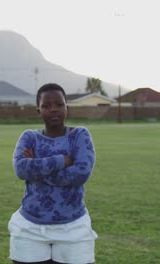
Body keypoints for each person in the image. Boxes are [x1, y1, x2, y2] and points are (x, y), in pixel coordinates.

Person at [8, 83, 98, 264]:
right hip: (30, 227)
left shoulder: (79, 135)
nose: (54, 109)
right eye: (46, 106)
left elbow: (81, 173)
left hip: (73, 226)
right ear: (38, 110)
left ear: (67, 107)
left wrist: (37, 169)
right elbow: (21, 169)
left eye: (59, 104)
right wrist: (62, 161)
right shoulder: (29, 137)